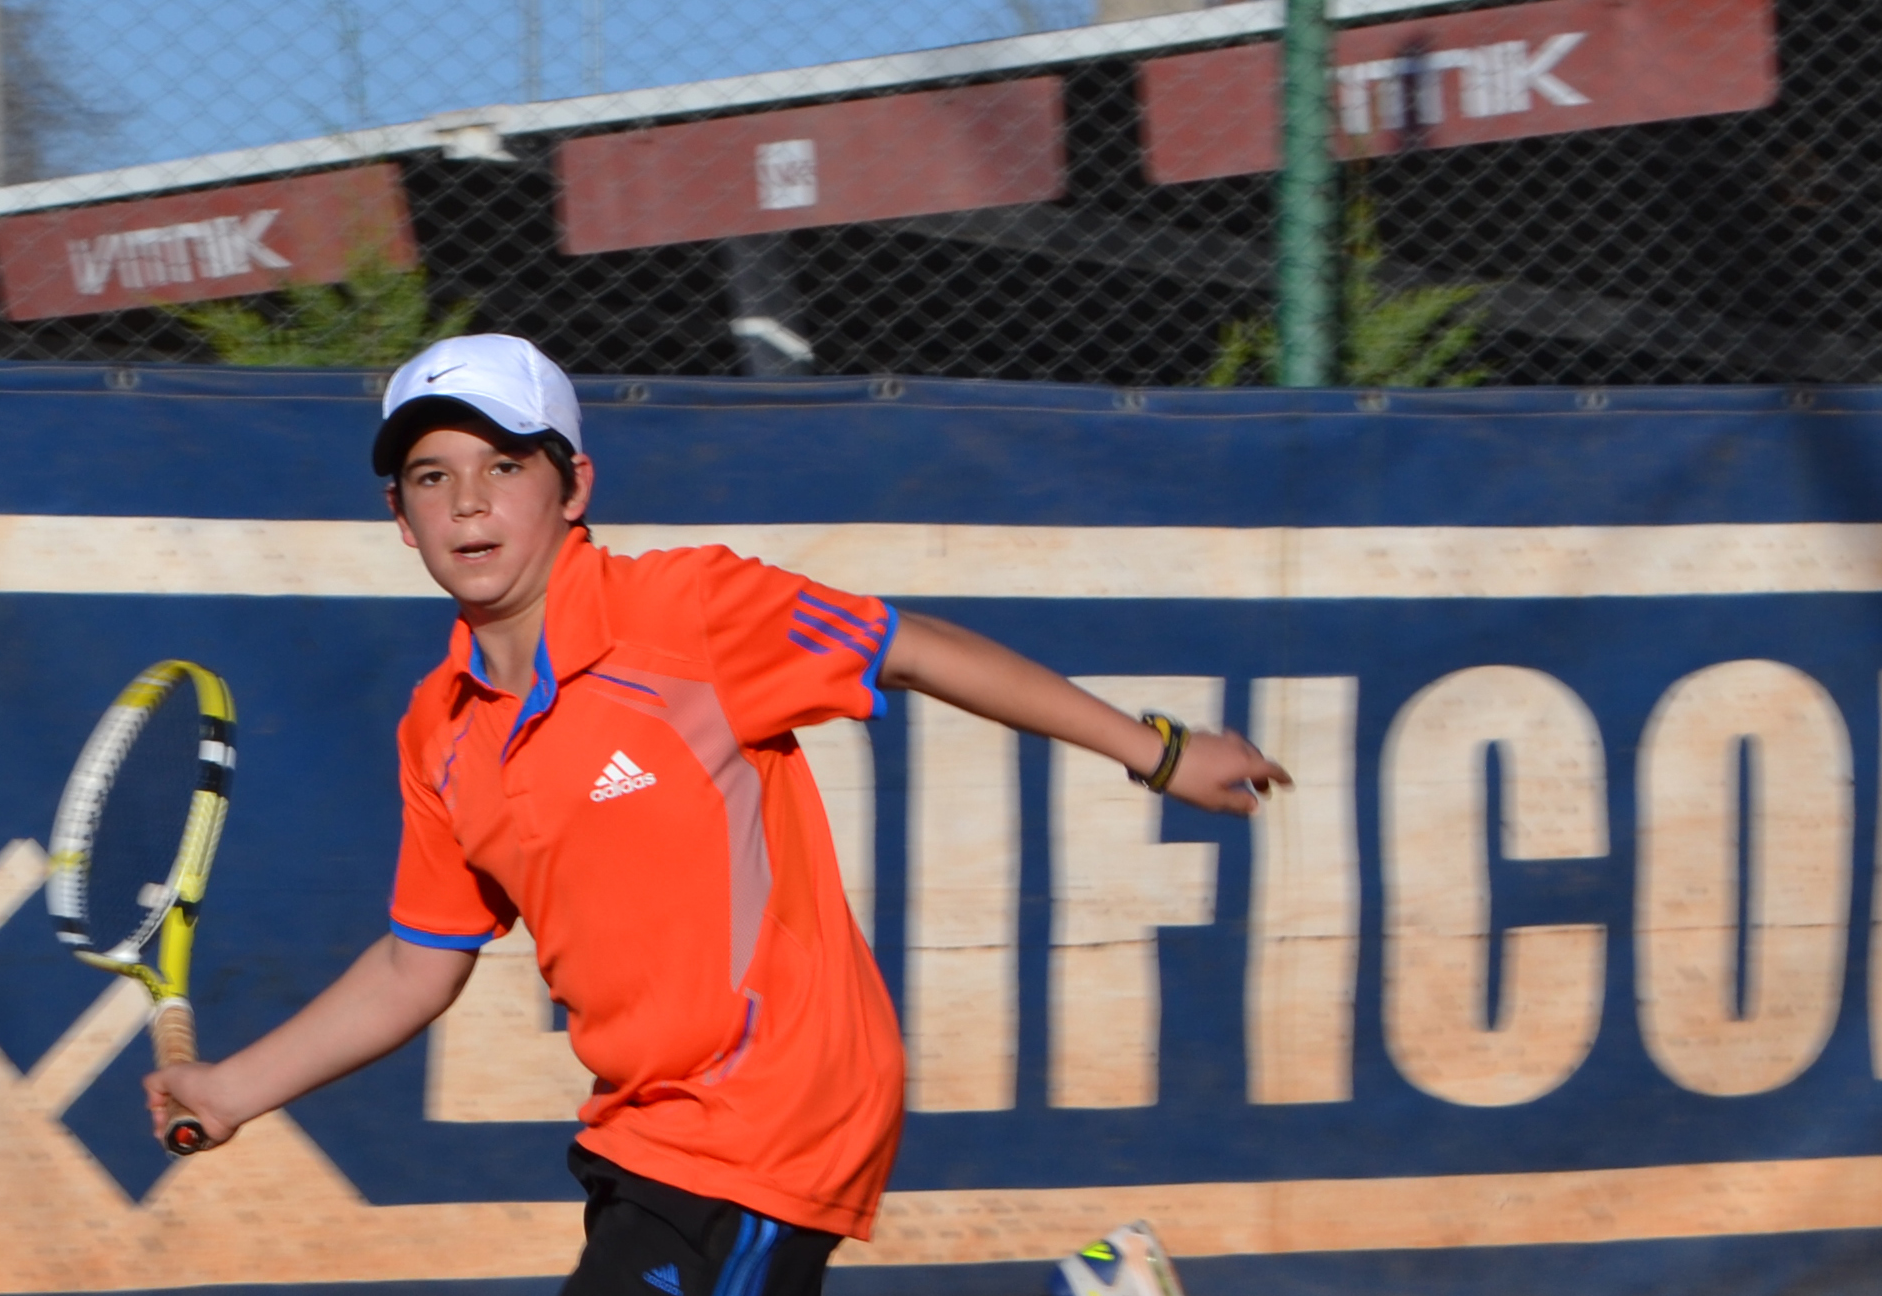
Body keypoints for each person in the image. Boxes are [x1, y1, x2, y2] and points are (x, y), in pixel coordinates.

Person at [146, 335, 1287, 1296]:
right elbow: (416, 963)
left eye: (502, 464)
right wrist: (233, 1091)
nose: (470, 502)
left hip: (774, 1100)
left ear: (574, 485)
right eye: (432, 478)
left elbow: (914, 646)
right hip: (640, 1125)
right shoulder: (441, 729)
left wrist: (1157, 751)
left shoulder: (689, 613)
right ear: (400, 517)